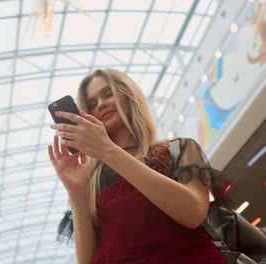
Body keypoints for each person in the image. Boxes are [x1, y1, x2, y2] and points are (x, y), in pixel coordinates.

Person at [47, 68, 228, 264]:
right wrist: (76, 191)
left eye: (109, 93)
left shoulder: (177, 149)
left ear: (129, 95)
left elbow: (193, 213)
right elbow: (88, 261)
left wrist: (108, 150)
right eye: (92, 104)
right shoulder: (91, 179)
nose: (101, 104)